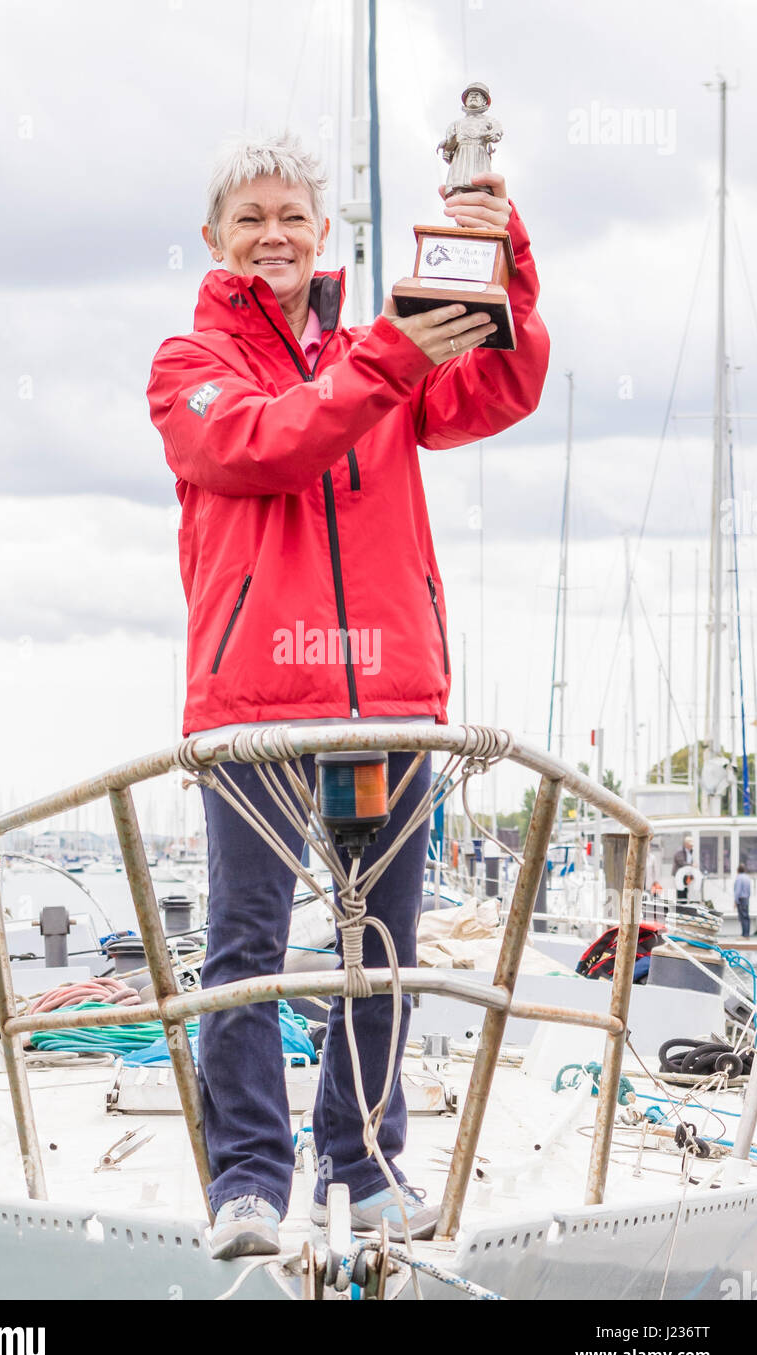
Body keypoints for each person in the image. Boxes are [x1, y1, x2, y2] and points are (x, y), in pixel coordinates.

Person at [147, 133, 549, 1259]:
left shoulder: (383, 352)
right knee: (244, 950)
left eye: (292, 216)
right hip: (254, 709)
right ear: (214, 240)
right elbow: (264, 446)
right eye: (250, 219)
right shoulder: (188, 364)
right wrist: (387, 356)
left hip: (390, 702)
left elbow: (503, 385)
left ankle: (363, 1166)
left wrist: (502, 250)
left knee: (381, 947)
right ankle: (248, 1181)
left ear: (323, 233)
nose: (272, 235)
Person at [672, 834, 694, 905]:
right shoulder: (680, 851)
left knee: (685, 891)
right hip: (679, 875)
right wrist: (691, 865)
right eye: (690, 845)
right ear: (686, 844)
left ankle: (685, 905)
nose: (691, 846)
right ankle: (680, 906)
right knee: (680, 892)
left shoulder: (690, 852)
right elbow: (681, 862)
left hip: (686, 875)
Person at [735, 862, 752, 938]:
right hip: (746, 898)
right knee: (746, 917)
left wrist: (736, 901)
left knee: (742, 917)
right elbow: (749, 890)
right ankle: (747, 934)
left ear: (738, 870)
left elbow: (737, 891)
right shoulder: (747, 878)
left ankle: (744, 935)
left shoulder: (739, 878)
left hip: (741, 899)